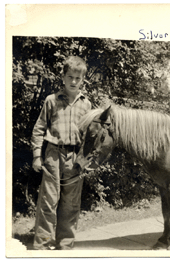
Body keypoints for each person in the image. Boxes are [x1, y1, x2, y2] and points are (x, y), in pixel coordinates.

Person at [31, 56, 92, 250]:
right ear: (63, 78)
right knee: (49, 200)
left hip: (75, 158)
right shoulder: (52, 100)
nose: (73, 81)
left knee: (71, 202)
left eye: (77, 78)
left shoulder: (87, 105)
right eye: (70, 77)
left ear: (83, 80)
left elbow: (88, 137)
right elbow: (39, 129)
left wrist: (85, 161)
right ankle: (43, 243)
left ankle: (65, 243)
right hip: (53, 154)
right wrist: (36, 155)